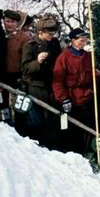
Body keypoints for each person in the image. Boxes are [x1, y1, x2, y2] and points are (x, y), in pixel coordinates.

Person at [20, 14, 62, 147]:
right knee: (38, 119)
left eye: (53, 32)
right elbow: (25, 68)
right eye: (49, 32)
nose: (52, 35)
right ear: (40, 32)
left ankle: (52, 146)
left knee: (54, 119)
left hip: (52, 86)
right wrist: (37, 62)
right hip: (36, 87)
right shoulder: (30, 46)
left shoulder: (55, 44)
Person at [52, 27, 95, 154]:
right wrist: (63, 98)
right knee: (71, 129)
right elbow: (57, 81)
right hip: (71, 98)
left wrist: (92, 90)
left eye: (85, 40)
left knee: (87, 128)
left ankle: (86, 152)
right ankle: (71, 153)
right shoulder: (64, 57)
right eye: (81, 40)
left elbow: (92, 76)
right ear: (73, 40)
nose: (83, 43)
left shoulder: (87, 57)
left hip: (86, 97)